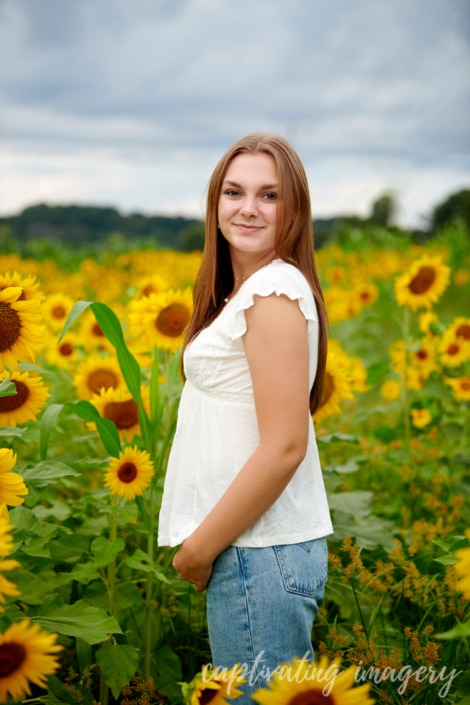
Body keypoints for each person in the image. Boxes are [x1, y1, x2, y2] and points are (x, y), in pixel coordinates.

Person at [157, 132, 333, 700]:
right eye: (234, 192)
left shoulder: (274, 291)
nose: (248, 208)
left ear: (295, 210)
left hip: (258, 551)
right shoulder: (246, 291)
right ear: (215, 203)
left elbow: (285, 446)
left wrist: (199, 548)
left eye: (269, 195)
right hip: (253, 549)